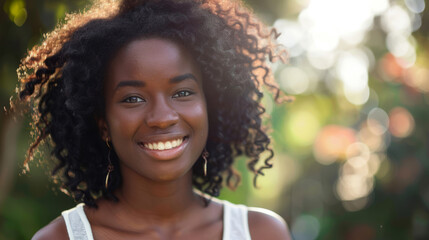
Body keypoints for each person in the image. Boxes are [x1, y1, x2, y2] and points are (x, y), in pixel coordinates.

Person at [16, 0, 291, 239]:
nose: (162, 118)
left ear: (211, 107)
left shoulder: (262, 233)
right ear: (103, 125)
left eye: (182, 92)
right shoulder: (61, 238)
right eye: (133, 98)